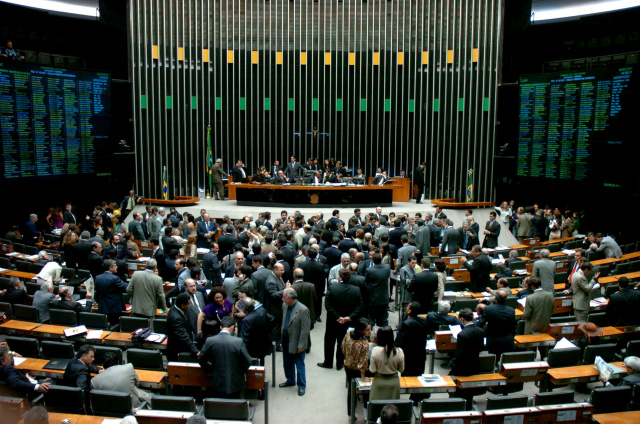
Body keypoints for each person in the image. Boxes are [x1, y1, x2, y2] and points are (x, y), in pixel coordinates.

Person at [319, 268, 364, 370]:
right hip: (348, 322)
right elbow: (360, 306)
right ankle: (340, 363)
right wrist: (349, 317)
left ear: (340, 277)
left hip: (333, 321)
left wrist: (337, 317)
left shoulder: (332, 288)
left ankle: (328, 362)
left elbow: (328, 305)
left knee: (330, 341)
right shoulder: (356, 290)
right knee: (343, 342)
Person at [198, 316, 253, 398]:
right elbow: (248, 361)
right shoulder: (238, 342)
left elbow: (201, 359)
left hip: (216, 381)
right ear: (233, 327)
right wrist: (240, 370)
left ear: (220, 327)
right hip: (235, 382)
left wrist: (210, 368)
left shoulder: (210, 341)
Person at [279, 288, 311, 396]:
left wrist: (302, 345)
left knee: (299, 364)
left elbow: (305, 330)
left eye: (284, 297)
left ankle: (301, 386)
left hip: (296, 342)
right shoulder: (285, 306)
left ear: (290, 298)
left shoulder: (303, 310)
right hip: (286, 340)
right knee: (287, 363)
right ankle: (290, 380)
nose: (282, 299)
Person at [342, 318, 372, 420]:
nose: (370, 332)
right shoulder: (364, 343)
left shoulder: (348, 334)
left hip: (347, 366)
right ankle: (367, 410)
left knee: (351, 390)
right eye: (368, 330)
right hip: (357, 370)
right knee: (362, 390)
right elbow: (363, 363)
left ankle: (351, 414)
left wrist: (348, 358)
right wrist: (363, 378)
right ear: (361, 330)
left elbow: (343, 347)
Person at [369, 326, 404, 400]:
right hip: (394, 383)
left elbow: (372, 370)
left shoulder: (375, 350)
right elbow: (401, 370)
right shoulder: (399, 351)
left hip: (379, 382)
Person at [482, 289, 516, 364]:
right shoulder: (511, 310)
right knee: (506, 362)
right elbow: (513, 327)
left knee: (493, 362)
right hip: (508, 340)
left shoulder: (489, 308)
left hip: (494, 341)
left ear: (496, 298)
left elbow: (481, 323)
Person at [239, 297, 273, 365]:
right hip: (263, 345)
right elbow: (272, 319)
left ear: (244, 308)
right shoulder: (262, 311)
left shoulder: (247, 320)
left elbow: (244, 338)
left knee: (252, 369)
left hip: (252, 349)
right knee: (261, 365)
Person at [94, 259, 128, 325]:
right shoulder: (115, 278)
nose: (117, 267)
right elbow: (124, 288)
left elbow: (97, 292)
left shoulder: (98, 277)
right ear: (110, 268)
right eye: (115, 266)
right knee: (115, 325)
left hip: (103, 307)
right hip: (114, 308)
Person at [167, 292, 199, 361]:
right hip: (178, 350)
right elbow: (183, 337)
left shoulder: (174, 307)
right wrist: (196, 351)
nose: (189, 305)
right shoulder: (176, 318)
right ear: (182, 305)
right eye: (188, 304)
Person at [365, 252, 391, 327]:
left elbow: (366, 282)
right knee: (383, 319)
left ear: (373, 260)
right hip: (384, 297)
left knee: (371, 319)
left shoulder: (369, 270)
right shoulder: (387, 267)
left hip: (373, 297)